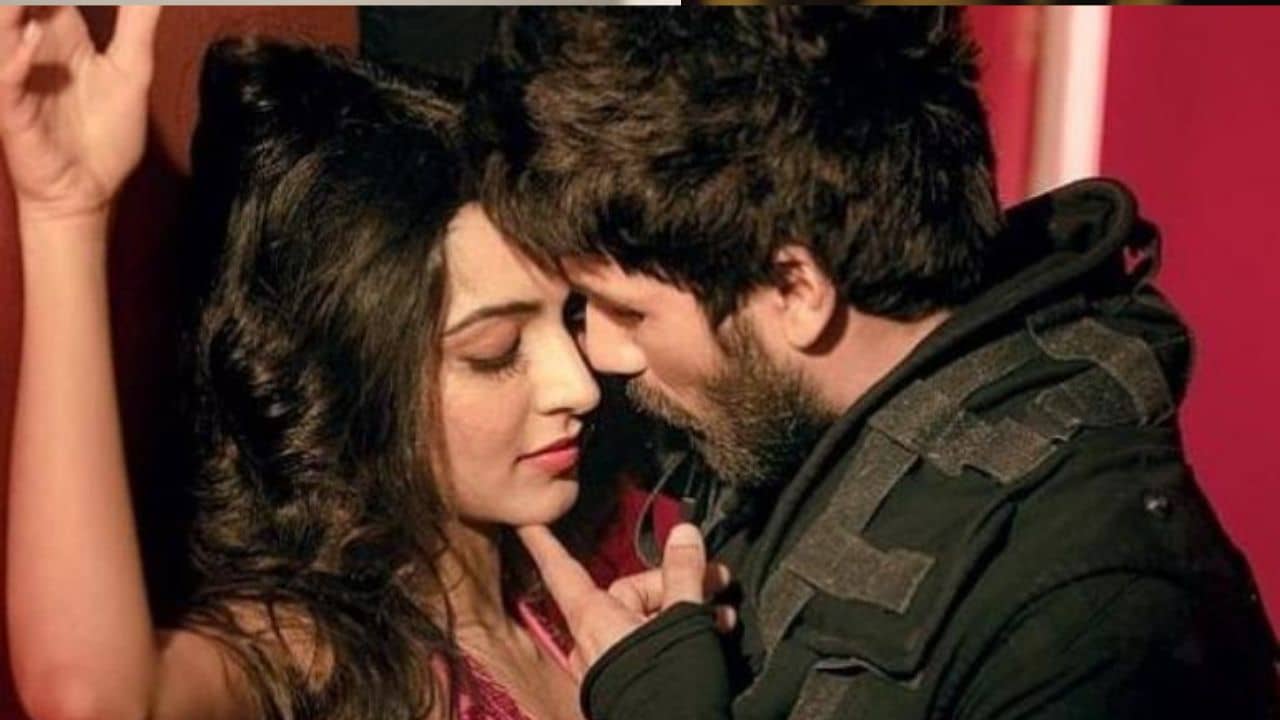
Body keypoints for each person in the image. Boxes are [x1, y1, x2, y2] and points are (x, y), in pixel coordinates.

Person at [472, 7, 1280, 720]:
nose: (601, 354)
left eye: (627, 312)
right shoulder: (804, 430)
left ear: (795, 289)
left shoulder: (1097, 612)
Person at [1, 7, 726, 720]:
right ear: (355, 379)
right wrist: (65, 216)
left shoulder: (620, 568)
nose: (578, 385)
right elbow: (96, 699)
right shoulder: (333, 657)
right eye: (495, 351)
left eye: (570, 318)